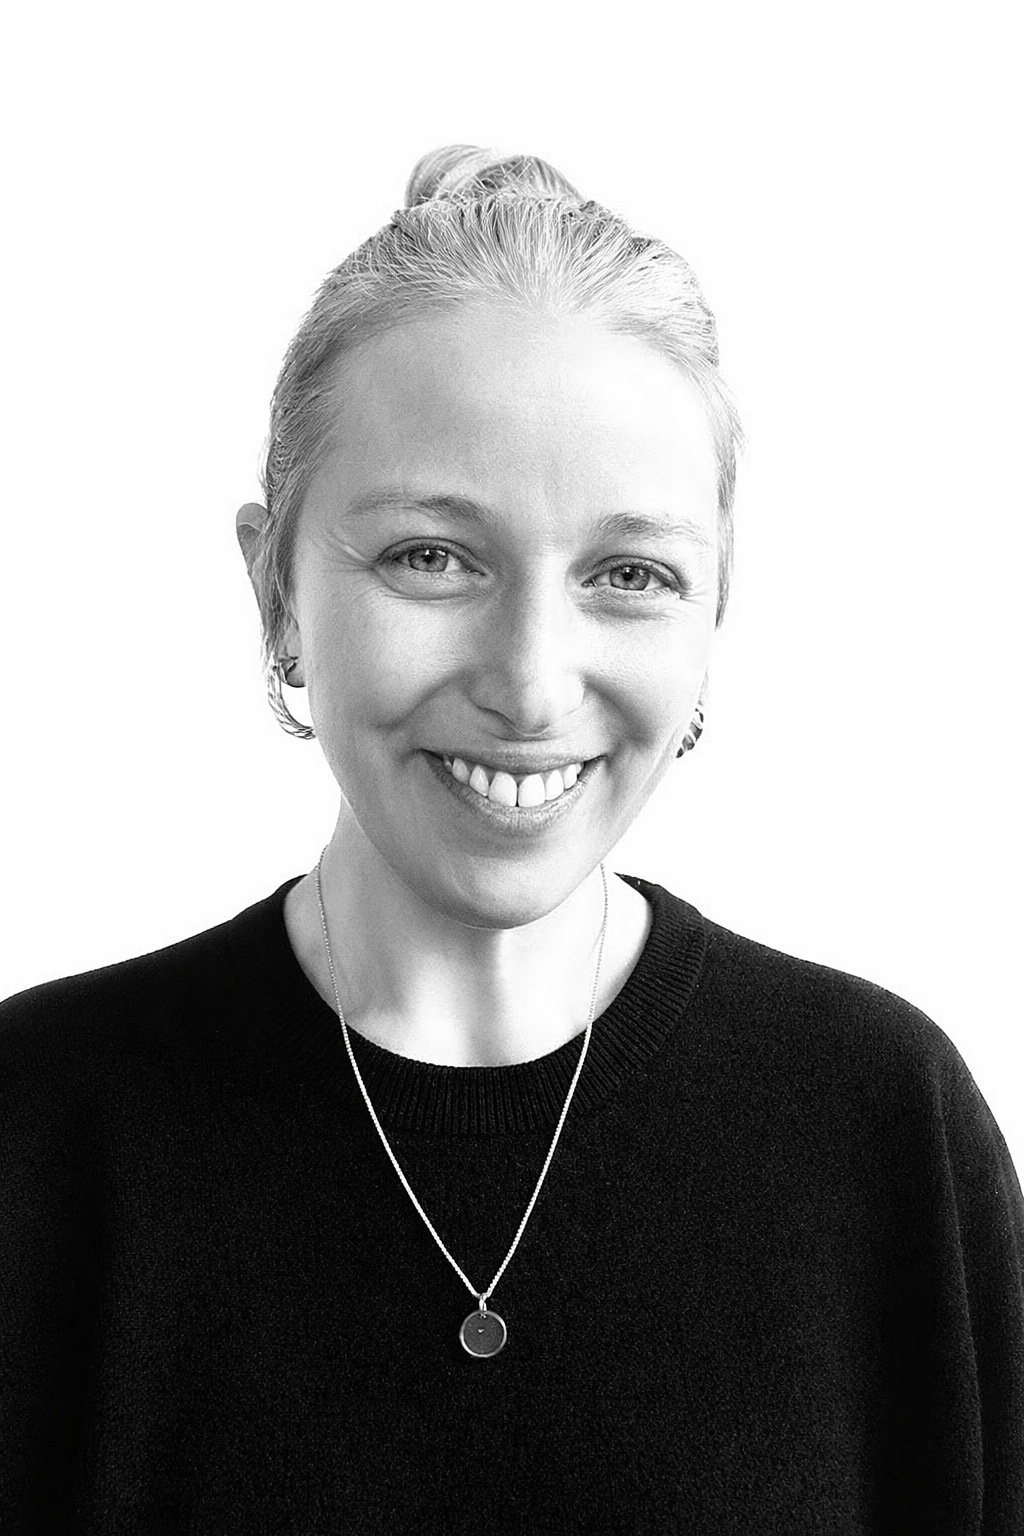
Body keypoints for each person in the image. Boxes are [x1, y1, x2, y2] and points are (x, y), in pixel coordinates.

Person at [1, 144, 1021, 1535]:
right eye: (434, 555)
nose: (533, 682)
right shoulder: (40, 1132)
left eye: (629, 574)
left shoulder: (881, 1125)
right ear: (276, 592)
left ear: (713, 616)